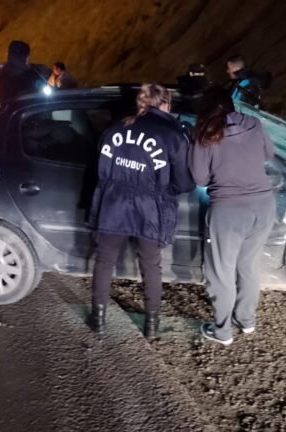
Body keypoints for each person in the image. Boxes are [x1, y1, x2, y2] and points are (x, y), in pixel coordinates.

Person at [88, 83, 195, 339]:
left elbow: (100, 170)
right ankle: (151, 325)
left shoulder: (116, 128)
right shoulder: (172, 135)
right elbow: (183, 183)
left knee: (104, 260)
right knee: (151, 266)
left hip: (112, 204)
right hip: (150, 209)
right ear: (165, 104)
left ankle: (99, 318)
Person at [189, 87, 276, 346]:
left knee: (221, 272)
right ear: (232, 106)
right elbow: (268, 154)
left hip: (228, 211)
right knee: (248, 265)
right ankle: (246, 320)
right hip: (263, 205)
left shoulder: (205, 134)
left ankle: (222, 332)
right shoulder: (254, 123)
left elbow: (200, 178)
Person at [0, 40, 43, 108]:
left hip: (10, 114)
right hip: (25, 114)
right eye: (27, 55)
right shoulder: (24, 74)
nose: (29, 59)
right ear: (22, 56)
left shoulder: (5, 71)